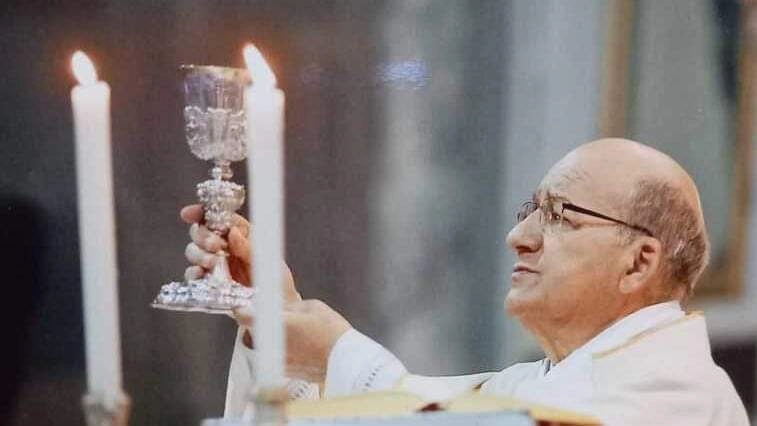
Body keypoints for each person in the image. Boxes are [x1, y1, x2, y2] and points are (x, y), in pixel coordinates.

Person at [181, 138, 749, 425]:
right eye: (531, 208)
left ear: (638, 262)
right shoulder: (538, 382)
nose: (519, 235)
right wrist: (277, 324)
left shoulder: (673, 398)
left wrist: (337, 354)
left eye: (559, 214)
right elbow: (432, 407)